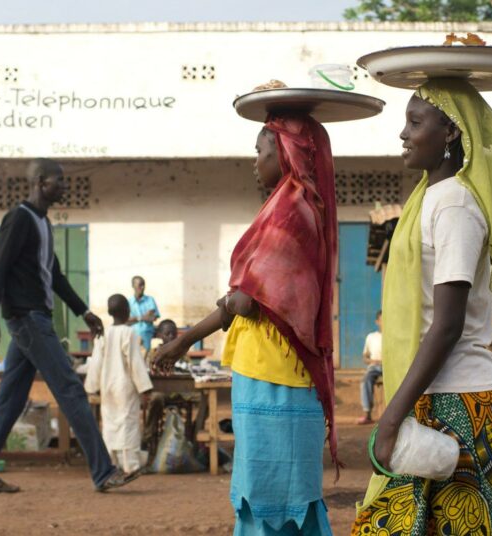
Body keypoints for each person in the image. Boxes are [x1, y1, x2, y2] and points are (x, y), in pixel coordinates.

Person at [352, 79, 492, 535]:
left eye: (415, 122)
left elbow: (447, 324)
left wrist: (392, 414)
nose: (403, 134)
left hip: (461, 398)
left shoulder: (455, 205)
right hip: (431, 394)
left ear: (450, 133)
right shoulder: (428, 200)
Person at [154, 111, 338, 534]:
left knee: (274, 488)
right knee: (273, 487)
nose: (254, 161)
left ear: (285, 153)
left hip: (278, 371)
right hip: (264, 366)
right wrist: (211, 319)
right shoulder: (288, 205)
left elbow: (250, 299)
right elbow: (247, 296)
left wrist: (184, 340)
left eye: (261, 151)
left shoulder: (293, 210)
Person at [0, 158, 138, 493]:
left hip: (32, 320)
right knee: (70, 388)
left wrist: (84, 311)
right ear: (41, 182)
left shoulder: (43, 224)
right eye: (59, 182)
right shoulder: (19, 219)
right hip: (28, 318)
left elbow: (55, 277)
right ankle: (104, 472)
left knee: (9, 400)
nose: (64, 187)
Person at [85, 294, 153, 475]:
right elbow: (135, 362)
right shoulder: (129, 333)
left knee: (110, 423)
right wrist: (145, 387)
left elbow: (95, 362)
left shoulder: (102, 334)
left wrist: (91, 387)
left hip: (107, 386)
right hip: (125, 386)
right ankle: (131, 465)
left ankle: (111, 463)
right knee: (128, 424)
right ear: (127, 311)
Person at [143, 319, 180, 463]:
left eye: (174, 334)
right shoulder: (154, 353)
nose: (171, 337)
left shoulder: (182, 351)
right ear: (160, 335)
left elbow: (188, 369)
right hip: (160, 391)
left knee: (204, 398)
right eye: (167, 334)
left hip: (179, 392)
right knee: (157, 398)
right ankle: (148, 437)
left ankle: (194, 434)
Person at [357, 310, 383, 425]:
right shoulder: (371, 337)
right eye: (382, 320)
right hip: (374, 368)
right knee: (366, 379)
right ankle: (367, 413)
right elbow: (365, 358)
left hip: (390, 366)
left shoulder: (393, 337)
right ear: (377, 321)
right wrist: (374, 361)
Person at [128, 275, 160, 352]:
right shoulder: (129, 302)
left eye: (143, 285)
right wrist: (144, 317)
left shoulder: (150, 300)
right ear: (133, 286)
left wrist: (135, 318)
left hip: (146, 333)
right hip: (132, 334)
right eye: (140, 285)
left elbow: (153, 317)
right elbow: (127, 321)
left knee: (145, 356)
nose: (142, 287)